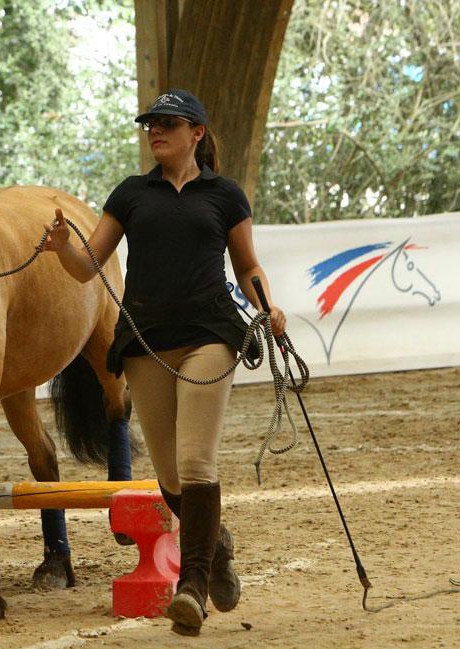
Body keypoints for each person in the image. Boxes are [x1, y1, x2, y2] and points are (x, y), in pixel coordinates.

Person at [41, 89, 287, 636]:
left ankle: (192, 587)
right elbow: (88, 267)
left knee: (197, 463)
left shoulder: (225, 196)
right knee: (171, 476)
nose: (155, 131)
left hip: (209, 336)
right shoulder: (130, 194)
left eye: (167, 123)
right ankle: (216, 544)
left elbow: (247, 265)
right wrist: (62, 247)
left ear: (197, 133)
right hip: (145, 342)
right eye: (150, 124)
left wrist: (266, 304)